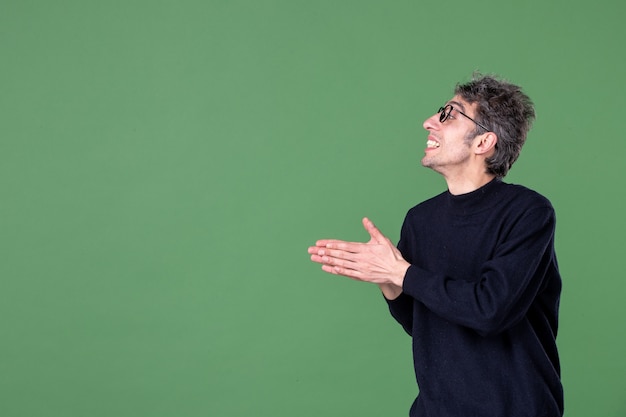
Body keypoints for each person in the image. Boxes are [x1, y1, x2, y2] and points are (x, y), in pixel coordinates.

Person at [307, 74, 563, 417]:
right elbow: (424, 322)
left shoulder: (528, 212)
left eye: (450, 115)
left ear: (483, 142)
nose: (430, 122)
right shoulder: (420, 220)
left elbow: (491, 311)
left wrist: (401, 271)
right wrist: (387, 281)